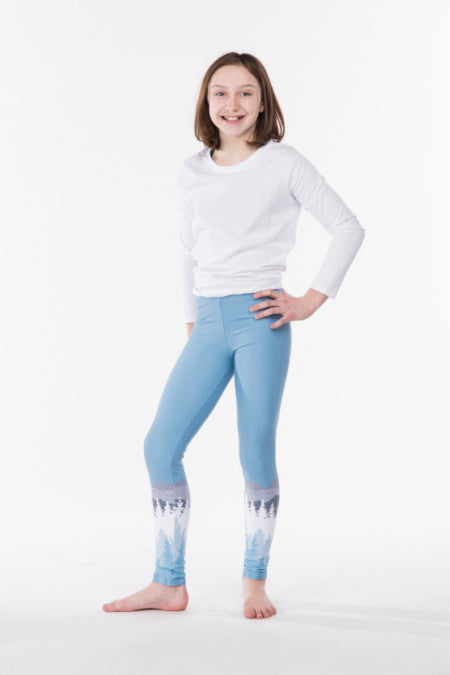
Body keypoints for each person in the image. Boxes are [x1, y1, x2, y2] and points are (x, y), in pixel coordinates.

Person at [102, 51, 365, 620]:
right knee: (160, 446)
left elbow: (348, 227)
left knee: (254, 451)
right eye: (220, 93)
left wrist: (309, 300)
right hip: (207, 319)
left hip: (261, 319)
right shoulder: (191, 170)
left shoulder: (284, 163)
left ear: (263, 101)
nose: (232, 104)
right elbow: (186, 248)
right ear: (206, 101)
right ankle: (168, 583)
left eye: (246, 92)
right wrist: (192, 321)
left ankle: (254, 581)